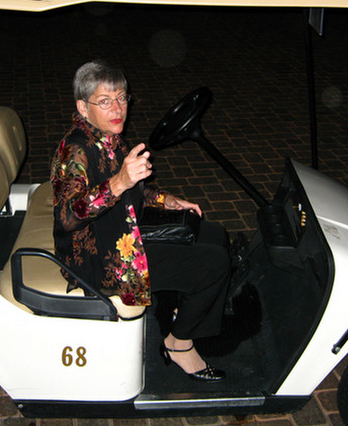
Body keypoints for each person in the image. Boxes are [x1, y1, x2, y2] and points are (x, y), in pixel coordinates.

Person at [51, 60, 231, 381]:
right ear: (83, 106)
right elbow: (68, 217)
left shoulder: (108, 137)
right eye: (104, 101)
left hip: (120, 230)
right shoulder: (75, 151)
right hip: (98, 260)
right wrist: (119, 183)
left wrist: (167, 200)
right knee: (213, 265)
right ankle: (179, 343)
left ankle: (181, 311)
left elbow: (133, 190)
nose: (118, 108)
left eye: (122, 97)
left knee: (213, 234)